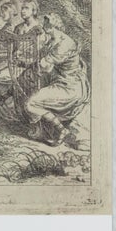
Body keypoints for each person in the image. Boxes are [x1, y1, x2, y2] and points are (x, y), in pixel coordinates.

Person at [25, 13, 89, 144]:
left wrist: (28, 62)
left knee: (31, 104)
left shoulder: (65, 44)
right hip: (58, 82)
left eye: (49, 22)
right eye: (45, 22)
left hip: (69, 87)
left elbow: (45, 67)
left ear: (56, 24)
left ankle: (61, 130)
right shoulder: (52, 40)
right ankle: (45, 129)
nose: (46, 25)